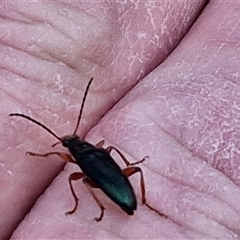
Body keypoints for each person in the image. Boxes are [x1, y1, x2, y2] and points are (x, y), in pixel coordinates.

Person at [1, 1, 239, 239]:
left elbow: (66, 154)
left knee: (81, 181)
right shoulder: (95, 151)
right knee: (96, 175)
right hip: (115, 184)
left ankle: (110, 206)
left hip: (115, 187)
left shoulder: (81, 157)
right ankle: (122, 204)